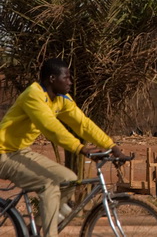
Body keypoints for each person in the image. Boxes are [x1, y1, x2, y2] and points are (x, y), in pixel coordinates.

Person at [0, 58, 126, 237]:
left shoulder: (61, 99)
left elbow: (83, 124)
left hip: (21, 151)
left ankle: (36, 227)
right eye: (66, 78)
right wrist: (79, 148)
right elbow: (50, 126)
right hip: (3, 154)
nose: (70, 82)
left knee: (69, 179)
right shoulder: (33, 95)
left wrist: (111, 146)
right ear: (52, 79)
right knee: (48, 185)